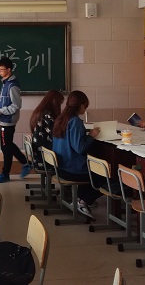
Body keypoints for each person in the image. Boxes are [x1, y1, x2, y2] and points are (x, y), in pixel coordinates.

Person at [52, 90, 101, 220]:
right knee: (104, 177)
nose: (85, 109)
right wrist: (91, 136)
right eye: (85, 106)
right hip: (71, 169)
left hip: (60, 167)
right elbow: (80, 148)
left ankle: (80, 198)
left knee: (92, 172)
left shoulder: (61, 119)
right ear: (81, 105)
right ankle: (83, 201)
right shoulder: (75, 122)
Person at [0, 57, 30, 183]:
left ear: (9, 69)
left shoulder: (12, 85)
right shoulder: (5, 83)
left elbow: (16, 105)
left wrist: (1, 111)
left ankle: (5, 173)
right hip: (4, 118)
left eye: (2, 69)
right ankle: (25, 163)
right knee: (7, 145)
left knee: (6, 147)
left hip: (8, 119)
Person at [29, 90, 65, 170]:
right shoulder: (47, 115)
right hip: (44, 159)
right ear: (54, 101)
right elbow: (55, 132)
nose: (60, 106)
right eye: (59, 103)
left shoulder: (40, 111)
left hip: (38, 156)